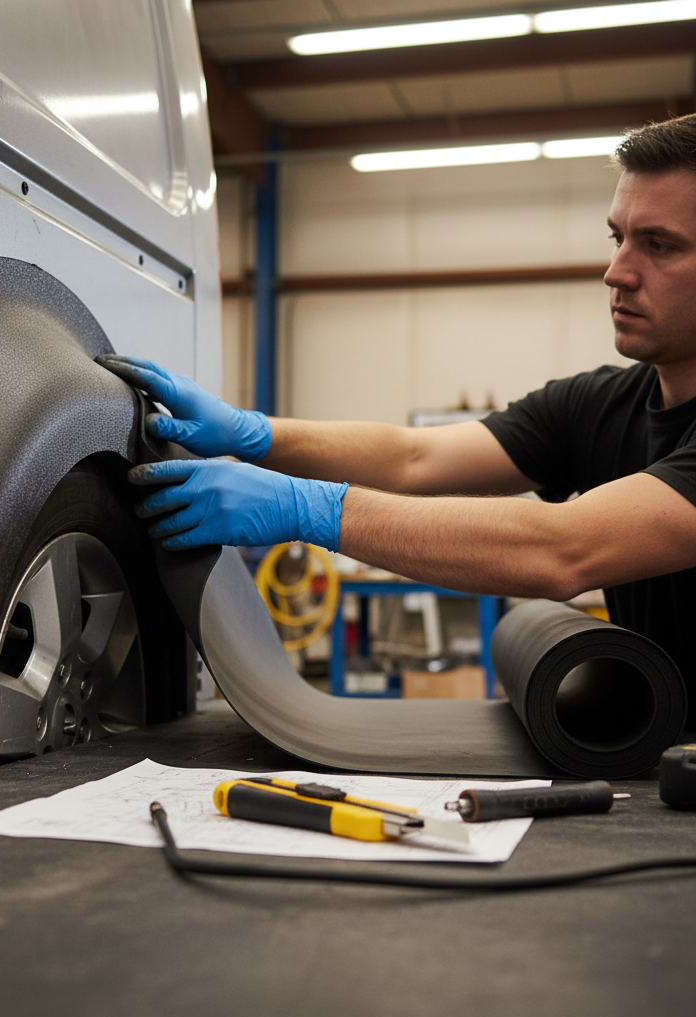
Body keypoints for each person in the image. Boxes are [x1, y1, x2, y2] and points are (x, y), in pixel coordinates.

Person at [96, 114, 696, 713]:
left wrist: (305, 508)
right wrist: (251, 433)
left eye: (660, 246)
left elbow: (563, 550)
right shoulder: (599, 405)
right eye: (617, 238)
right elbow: (415, 457)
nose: (617, 272)